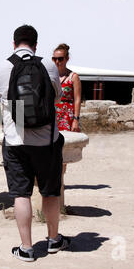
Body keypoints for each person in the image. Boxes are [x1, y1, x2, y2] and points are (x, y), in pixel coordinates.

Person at [0, 25, 70, 262]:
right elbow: (57, 96)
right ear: (35, 44)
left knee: (21, 194)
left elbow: (3, 97)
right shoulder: (47, 65)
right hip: (47, 140)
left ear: (14, 43)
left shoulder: (2, 67)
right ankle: (54, 239)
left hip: (16, 141)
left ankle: (26, 248)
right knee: (50, 192)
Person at [52, 43, 82, 213]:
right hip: (53, 115)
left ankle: (60, 180)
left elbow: (77, 99)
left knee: (63, 151)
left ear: (67, 59)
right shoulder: (51, 76)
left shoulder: (73, 77)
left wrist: (76, 119)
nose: (57, 62)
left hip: (67, 115)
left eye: (60, 59)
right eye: (54, 59)